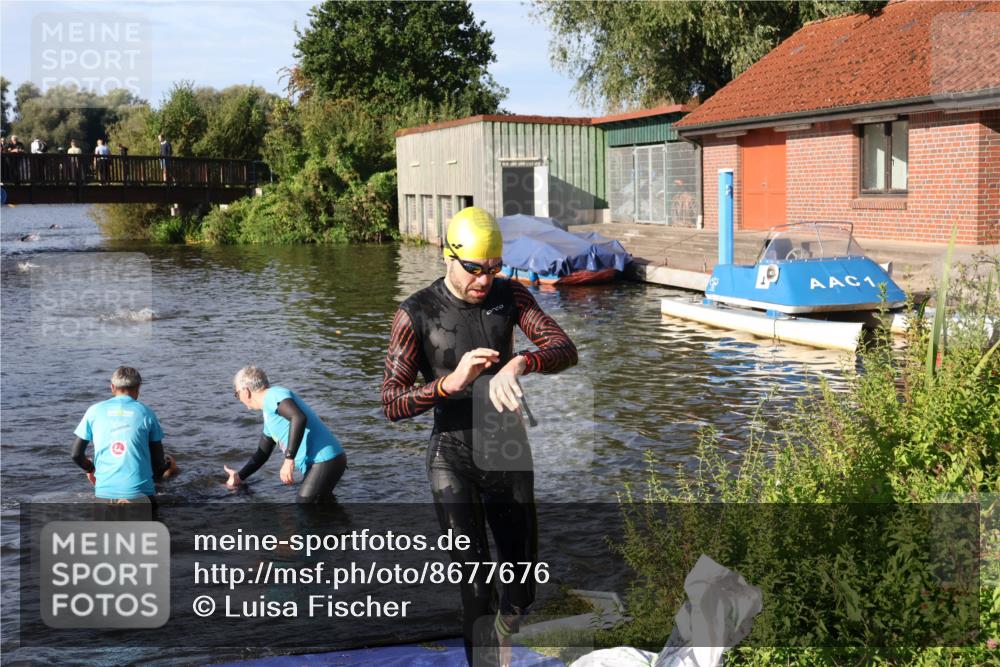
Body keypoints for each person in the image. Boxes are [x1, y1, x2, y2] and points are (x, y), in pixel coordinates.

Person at [381, 206, 578, 667]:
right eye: (475, 270)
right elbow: (391, 403)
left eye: (494, 269)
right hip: (452, 458)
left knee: (522, 583)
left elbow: (564, 348)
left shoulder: (510, 297)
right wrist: (448, 384)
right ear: (448, 256)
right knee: (473, 585)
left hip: (506, 448)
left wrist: (520, 362)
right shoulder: (416, 314)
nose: (485, 281)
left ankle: (508, 627)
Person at [224, 366, 347, 503]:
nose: (238, 398)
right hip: (324, 462)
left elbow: (298, 418)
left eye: (237, 394)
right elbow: (262, 453)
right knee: (322, 511)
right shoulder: (270, 413)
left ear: (245, 392)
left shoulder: (273, 395)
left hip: (324, 460)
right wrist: (239, 477)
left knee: (304, 508)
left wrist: (288, 460)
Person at [71, 367, 178, 504]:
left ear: (112, 387)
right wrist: (169, 466)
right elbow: (157, 463)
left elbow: (76, 455)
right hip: (140, 496)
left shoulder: (94, 411)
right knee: (169, 465)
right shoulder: (146, 413)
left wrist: (91, 469)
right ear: (138, 387)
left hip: (104, 495)